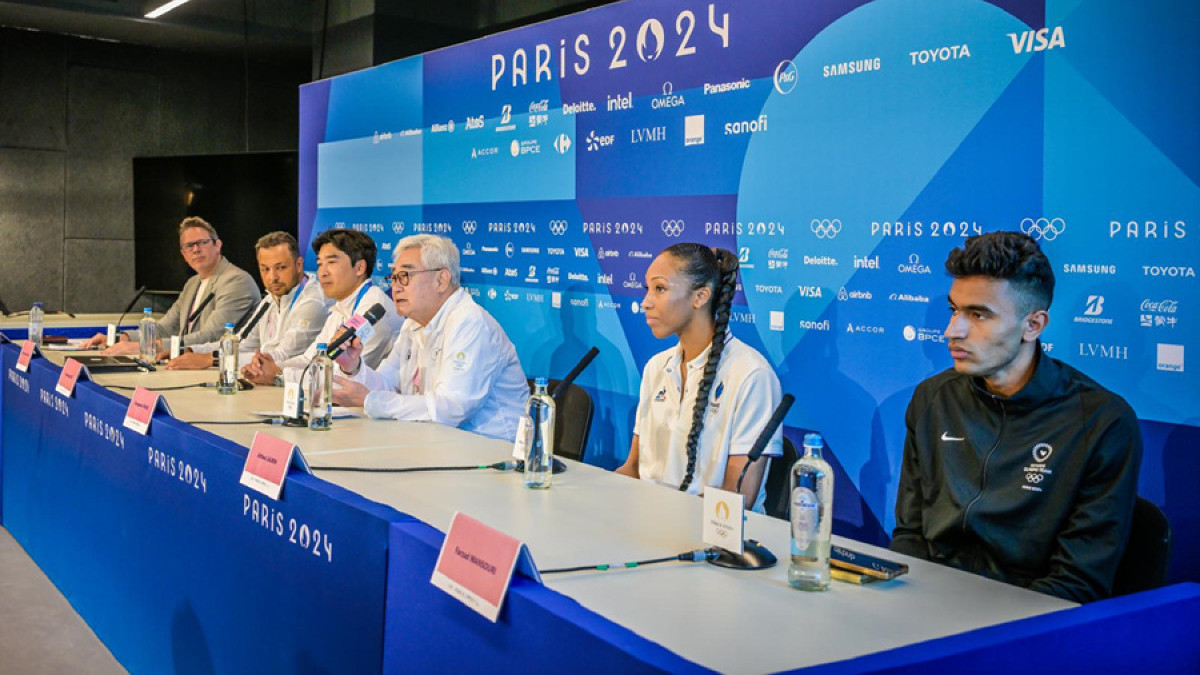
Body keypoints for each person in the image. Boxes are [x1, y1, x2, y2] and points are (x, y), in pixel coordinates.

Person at [890, 231, 1142, 603]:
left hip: (1025, 624)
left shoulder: (1102, 422)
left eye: (978, 315)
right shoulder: (933, 398)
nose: (952, 331)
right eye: (954, 310)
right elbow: (910, 534)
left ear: (1033, 325)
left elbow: (1077, 582)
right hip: (928, 603)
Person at [616, 244, 783, 511]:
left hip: (713, 541)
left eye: (660, 289)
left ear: (700, 296)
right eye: (646, 289)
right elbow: (633, 469)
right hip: (645, 524)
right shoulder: (655, 368)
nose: (645, 302)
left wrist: (664, 516)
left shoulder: (752, 375)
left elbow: (738, 497)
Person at [330, 234, 528, 442]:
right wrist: (353, 367)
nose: (395, 287)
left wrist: (372, 401)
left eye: (405, 275)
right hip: (438, 444)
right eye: (394, 277)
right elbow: (386, 384)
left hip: (493, 454)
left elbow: (452, 408)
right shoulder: (412, 324)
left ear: (441, 280)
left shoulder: (469, 322)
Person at [242, 228, 401, 385]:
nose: (322, 273)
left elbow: (342, 376)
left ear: (359, 268)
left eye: (331, 262)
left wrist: (279, 375)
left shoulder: (374, 310)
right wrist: (274, 367)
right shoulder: (341, 307)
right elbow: (310, 358)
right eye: (319, 264)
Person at [84, 217, 259, 352]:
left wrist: (150, 347)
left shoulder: (236, 281)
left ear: (217, 245)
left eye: (202, 243)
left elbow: (212, 336)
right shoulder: (192, 283)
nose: (196, 250)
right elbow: (164, 328)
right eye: (189, 246)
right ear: (183, 254)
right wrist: (119, 338)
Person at [165, 232, 328, 372]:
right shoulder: (270, 299)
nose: (272, 277)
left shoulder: (312, 302)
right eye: (265, 269)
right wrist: (190, 350)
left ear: (299, 265)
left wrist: (211, 360)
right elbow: (242, 343)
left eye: (281, 268)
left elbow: (280, 356)